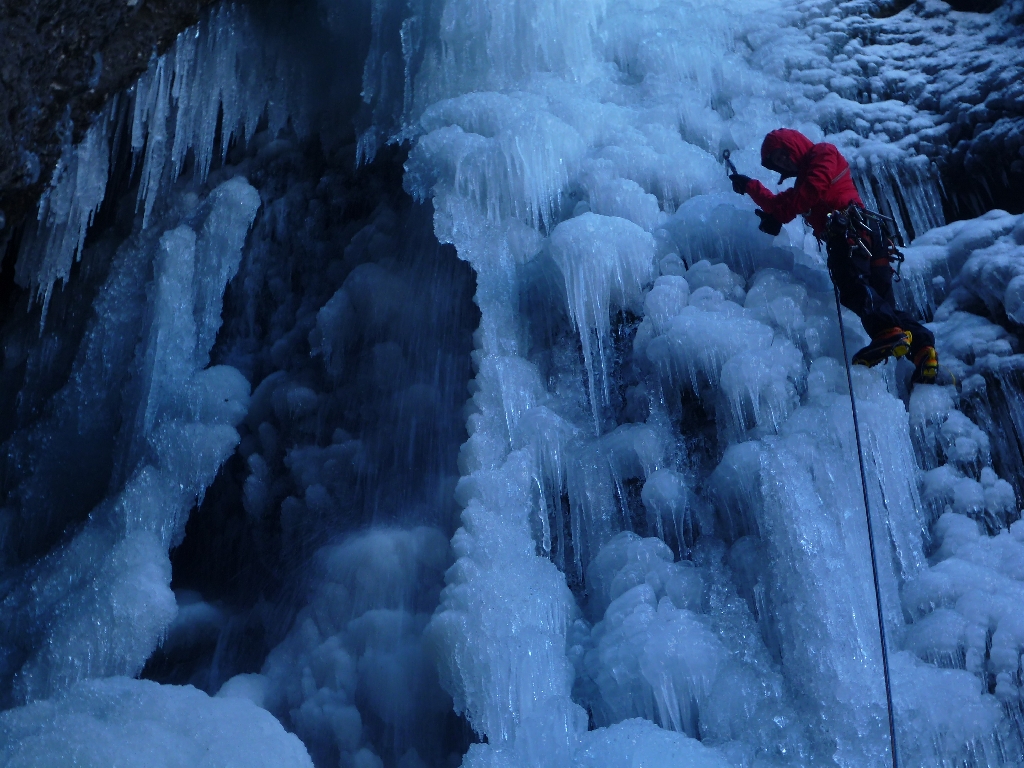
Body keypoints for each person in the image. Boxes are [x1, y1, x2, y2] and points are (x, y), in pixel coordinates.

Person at [728, 128, 938, 384]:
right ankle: (923, 349)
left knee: (851, 286)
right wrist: (750, 186)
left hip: (849, 233)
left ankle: (886, 332)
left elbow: (811, 192)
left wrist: (778, 217)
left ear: (794, 146)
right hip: (867, 237)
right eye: (777, 162)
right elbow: (782, 204)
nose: (783, 162)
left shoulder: (824, 153)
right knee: (882, 302)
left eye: (783, 155)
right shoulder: (801, 184)